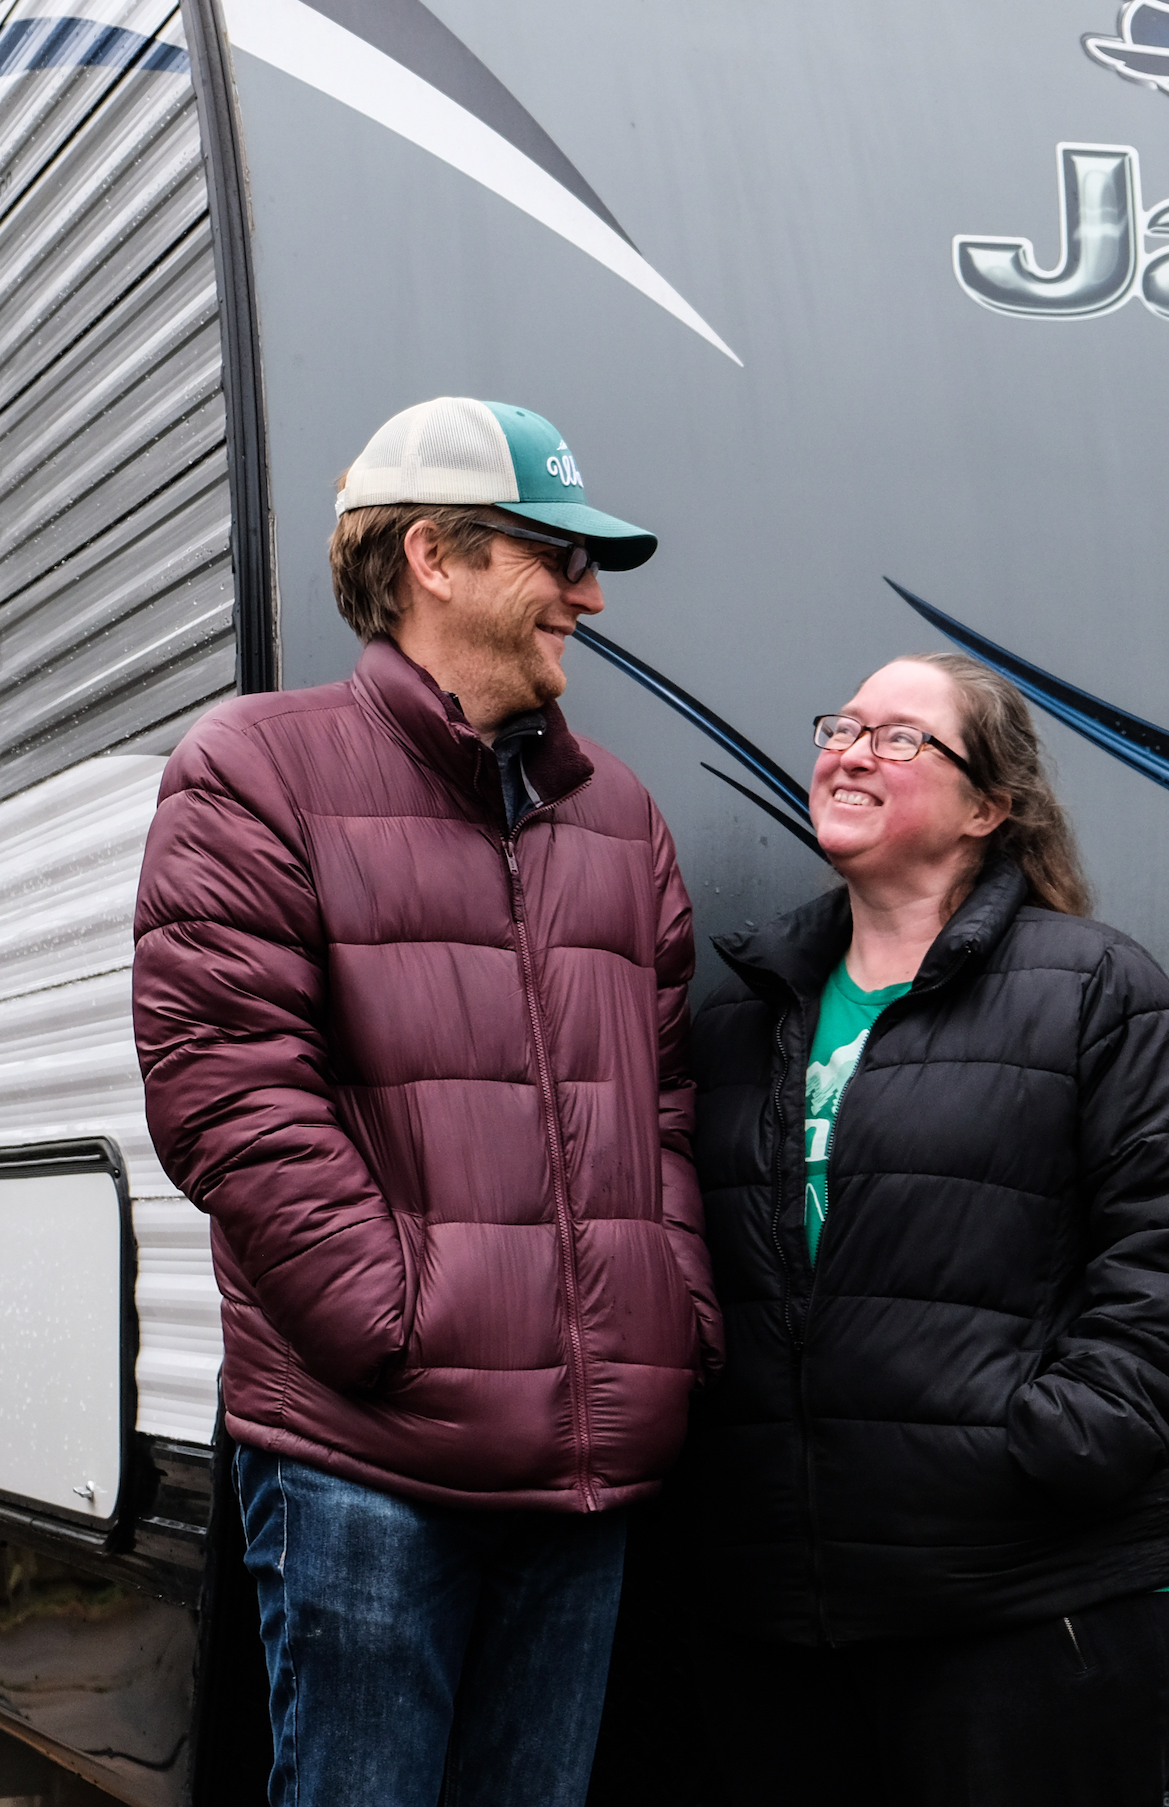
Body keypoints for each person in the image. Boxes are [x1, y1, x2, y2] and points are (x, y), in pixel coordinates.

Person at [131, 396, 723, 1807]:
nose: (585, 596)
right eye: (552, 556)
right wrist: (397, 1323)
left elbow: (664, 1107)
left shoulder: (620, 819)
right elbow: (227, 1086)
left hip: (586, 1466)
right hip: (368, 1460)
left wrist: (670, 1317)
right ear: (431, 558)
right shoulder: (256, 770)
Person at [678, 651, 1169, 1806]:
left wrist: (1045, 1446)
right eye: (841, 724)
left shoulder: (1091, 986)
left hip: (1035, 1607)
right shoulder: (743, 1015)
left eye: (901, 737)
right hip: (792, 1629)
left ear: (989, 806)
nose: (849, 749)